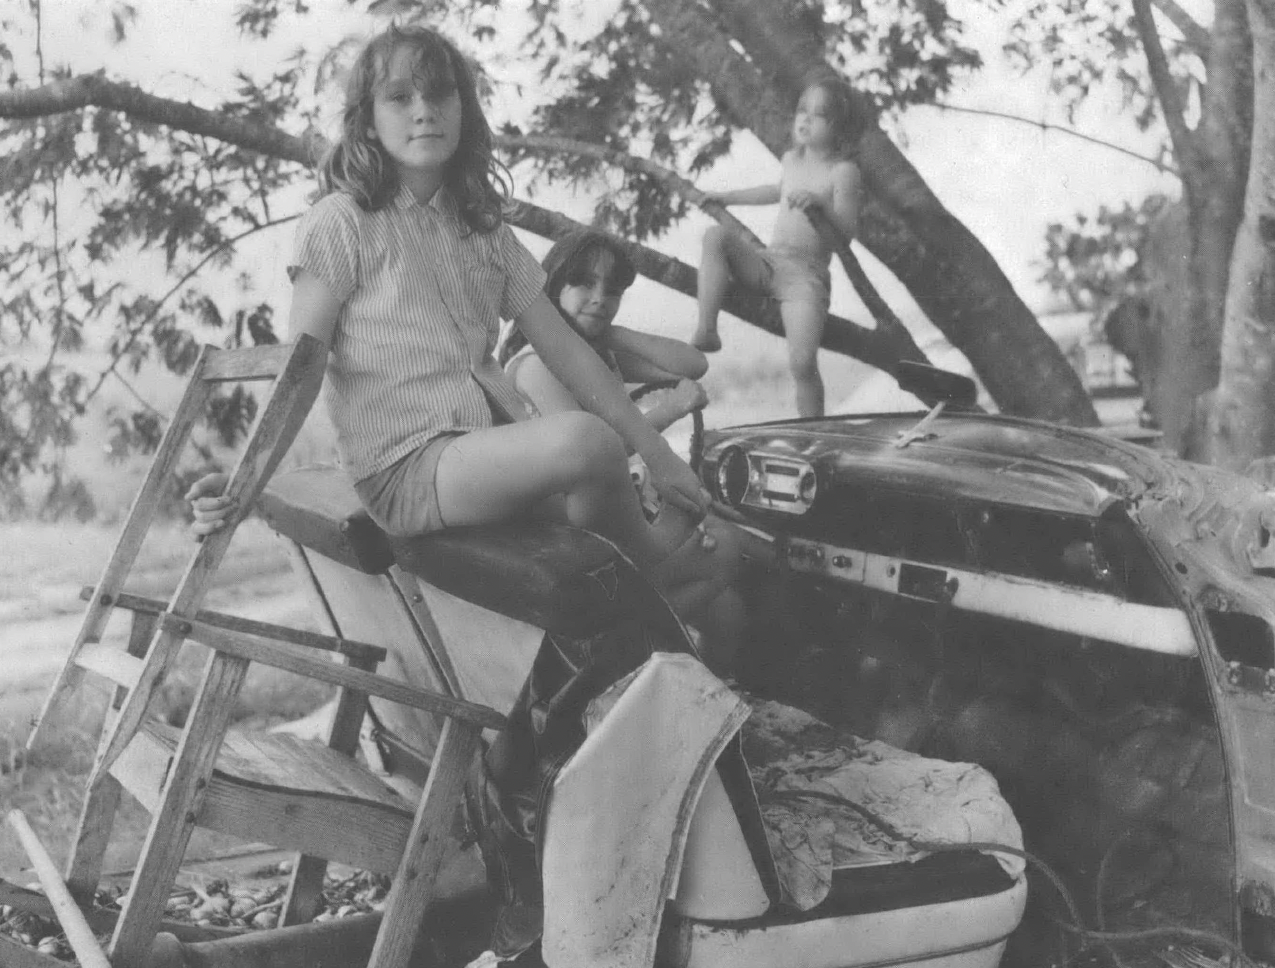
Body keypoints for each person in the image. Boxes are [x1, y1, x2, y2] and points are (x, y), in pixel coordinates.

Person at [187, 24, 719, 617]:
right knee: (588, 443)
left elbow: (566, 350)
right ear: (366, 119)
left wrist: (661, 453)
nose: (424, 112)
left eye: (440, 95)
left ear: (463, 109)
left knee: (683, 534)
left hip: (482, 447)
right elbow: (302, 369)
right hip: (405, 467)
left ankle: (633, 604)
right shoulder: (341, 222)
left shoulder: (483, 229)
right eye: (400, 97)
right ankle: (654, 578)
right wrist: (245, 483)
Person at [498, 229, 768, 668]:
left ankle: (714, 689)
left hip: (614, 509)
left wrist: (610, 331)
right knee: (730, 549)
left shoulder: (593, 354)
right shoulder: (534, 363)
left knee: (728, 610)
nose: (600, 297)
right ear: (551, 285)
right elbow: (594, 450)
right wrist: (672, 408)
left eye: (613, 290)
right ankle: (610, 651)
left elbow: (692, 363)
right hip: (571, 525)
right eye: (584, 282)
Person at [690, 70, 863, 419]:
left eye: (819, 115)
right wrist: (726, 197)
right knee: (715, 237)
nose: (806, 120)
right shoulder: (792, 160)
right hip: (770, 262)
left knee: (802, 363)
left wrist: (821, 205)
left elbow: (846, 233)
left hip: (806, 277)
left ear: (841, 129)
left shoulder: (844, 172)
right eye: (803, 111)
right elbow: (774, 191)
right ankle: (707, 329)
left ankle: (812, 431)